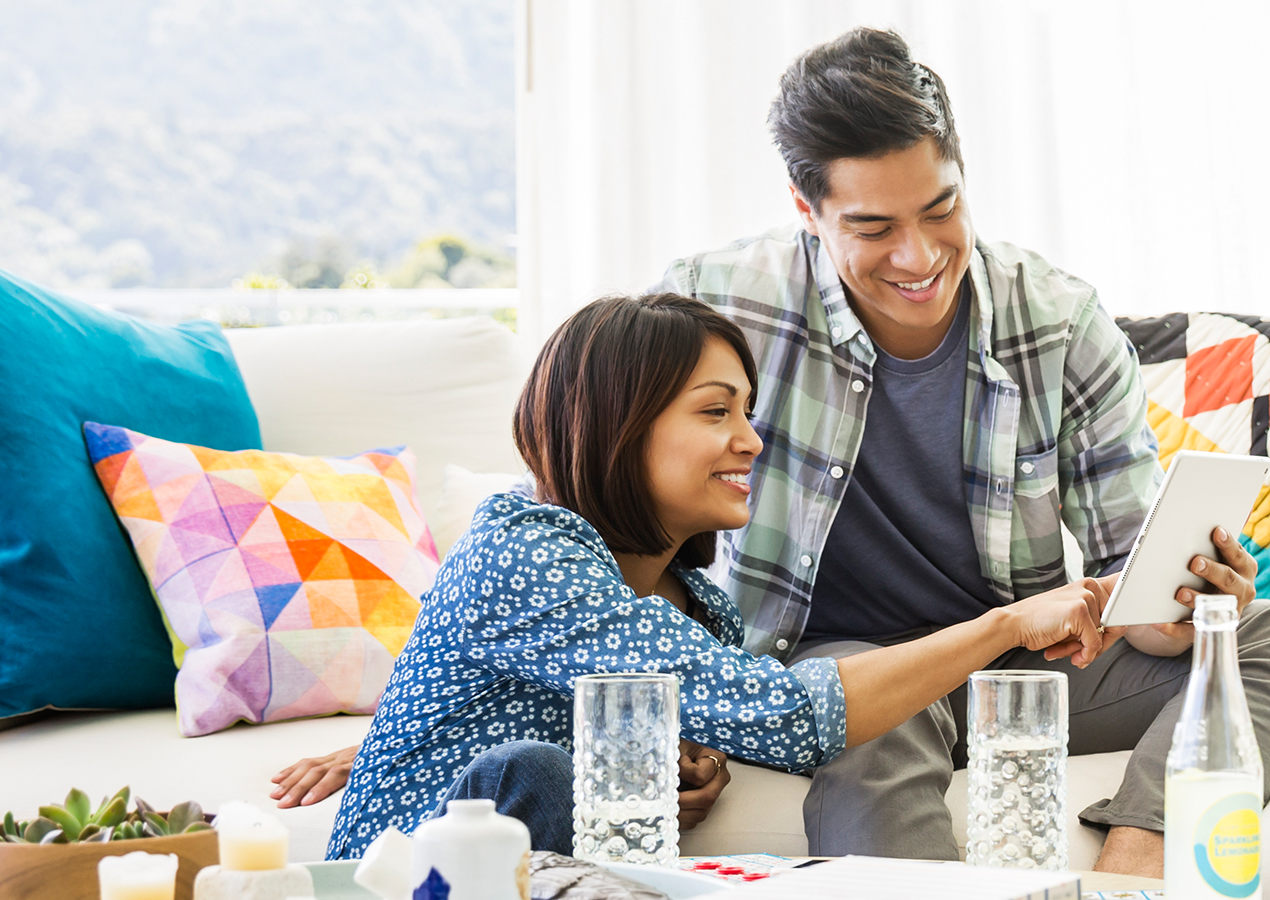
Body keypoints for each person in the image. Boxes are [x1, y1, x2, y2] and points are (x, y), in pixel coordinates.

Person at [645, 27, 1264, 876]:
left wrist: (1176, 604)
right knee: (871, 723)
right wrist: (679, 708)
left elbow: (1134, 586)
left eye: (941, 209)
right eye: (873, 227)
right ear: (806, 208)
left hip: (1022, 660)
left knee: (1257, 631)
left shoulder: (1059, 322)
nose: (919, 255)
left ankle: (1132, 872)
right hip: (843, 673)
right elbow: (613, 527)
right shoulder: (716, 306)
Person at [317, 293, 1118, 859]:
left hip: (556, 871)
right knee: (539, 772)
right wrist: (1006, 624)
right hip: (399, 873)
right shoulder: (524, 552)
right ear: (618, 427)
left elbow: (730, 717)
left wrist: (692, 761)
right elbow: (790, 714)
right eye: (714, 412)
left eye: (747, 413)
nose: (750, 441)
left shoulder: (702, 606)